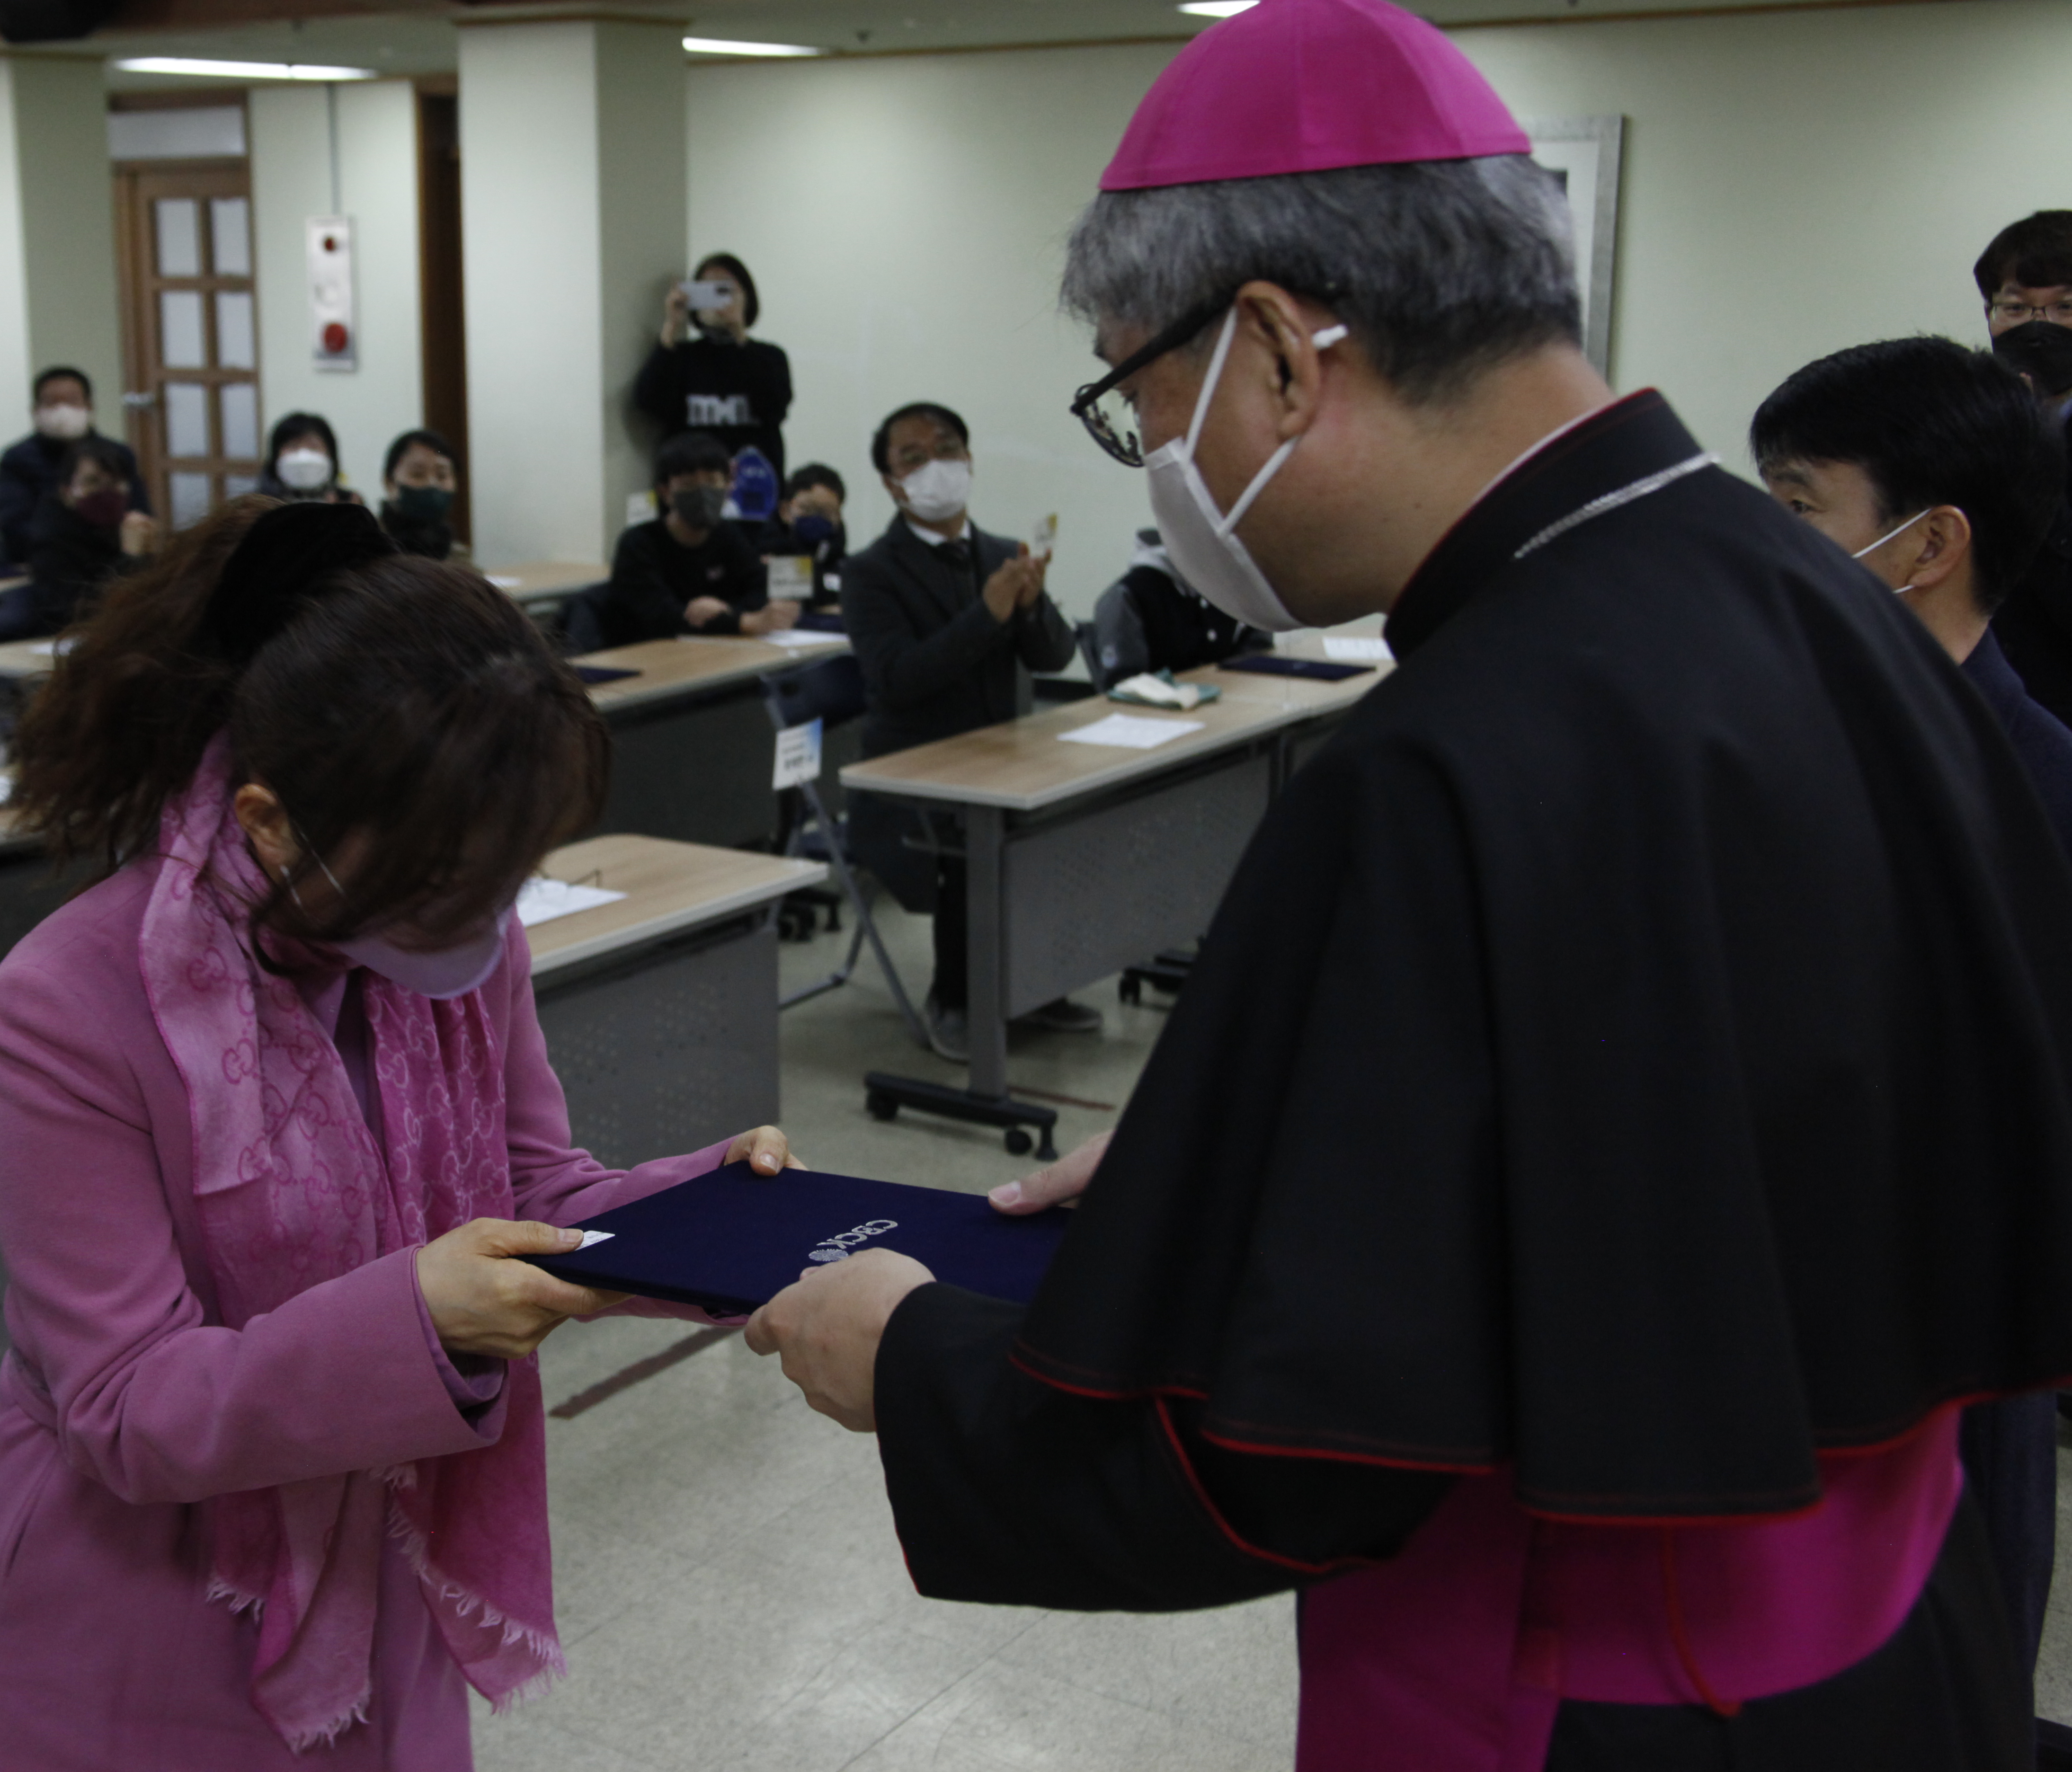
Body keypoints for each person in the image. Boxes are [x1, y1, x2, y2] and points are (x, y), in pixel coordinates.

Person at [746, 3, 2072, 1766]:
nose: (1162, 465)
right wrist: (1264, 1153)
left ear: (1281, 357)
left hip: (1589, 1683)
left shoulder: (1449, 746)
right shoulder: (1810, 592)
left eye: (1141, 398)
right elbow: (1705, 1115)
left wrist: (911, 1366)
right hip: (1902, 1636)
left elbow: (1287, 1454)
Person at [0, 496, 798, 1770]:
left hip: (378, 1548)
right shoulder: (64, 1011)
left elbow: (540, 1186)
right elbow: (125, 1406)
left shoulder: (445, 927)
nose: (489, 924)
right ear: (273, 821)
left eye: (508, 881)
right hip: (138, 1614)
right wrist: (420, 1319)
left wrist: (719, 1217)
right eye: (451, 889)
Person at [1750, 335, 2071, 1720]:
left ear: (1929, 543)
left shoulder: (2044, 793)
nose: (1762, 544)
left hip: (1941, 1367)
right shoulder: (1768, 734)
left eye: (1798, 507)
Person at [840, 400, 1089, 1061]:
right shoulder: (869, 572)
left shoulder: (1006, 553)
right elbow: (897, 677)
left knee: (1067, 821)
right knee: (969, 837)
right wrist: (987, 614)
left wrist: (1030, 609)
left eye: (946, 448)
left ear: (971, 461)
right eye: (913, 457)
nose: (935, 466)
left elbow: (1055, 657)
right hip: (910, 771)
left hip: (1003, 754)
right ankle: (955, 998)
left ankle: (1038, 984)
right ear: (893, 483)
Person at [1983, 218, 2072, 729]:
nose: (2039, 328)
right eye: (2015, 308)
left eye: (2067, 306)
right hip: (2001, 716)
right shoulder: (1972, 427)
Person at [590, 431, 799, 645]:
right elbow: (661, 619)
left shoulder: (728, 535)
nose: (703, 494)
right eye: (689, 485)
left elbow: (759, 590)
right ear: (666, 492)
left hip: (718, 651)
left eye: (712, 482)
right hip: (650, 656)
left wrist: (726, 611)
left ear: (729, 485)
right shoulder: (638, 544)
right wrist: (742, 622)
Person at [632, 252, 792, 482]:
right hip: (692, 485)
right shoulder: (682, 356)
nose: (719, 302)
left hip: (753, 487)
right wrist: (672, 325)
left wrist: (739, 331)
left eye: (726, 291)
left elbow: (774, 408)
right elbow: (648, 403)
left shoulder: (770, 357)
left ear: (747, 298)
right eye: (707, 292)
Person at [0, 366, 148, 563]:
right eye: (51, 403)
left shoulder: (118, 453)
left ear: (89, 406)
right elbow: (14, 526)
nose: (62, 410)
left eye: (72, 401)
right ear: (35, 410)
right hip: (45, 558)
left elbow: (139, 512)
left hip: (116, 557)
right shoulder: (17, 458)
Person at [22, 436, 160, 633]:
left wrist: (152, 556)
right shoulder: (52, 538)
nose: (106, 493)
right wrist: (131, 559)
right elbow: (72, 613)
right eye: (93, 482)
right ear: (67, 493)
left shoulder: (125, 528)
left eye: (115, 484)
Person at [1092, 524, 1265, 681]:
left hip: (1219, 696)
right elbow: (1124, 682)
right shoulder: (1128, 595)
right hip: (1157, 708)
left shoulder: (1210, 585)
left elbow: (1255, 644)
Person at [760, 462, 849, 611]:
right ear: (785, 511)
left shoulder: (847, 567)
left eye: (826, 513)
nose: (816, 518)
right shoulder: (766, 556)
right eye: (807, 509)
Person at [377, 427, 462, 560]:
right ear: (390, 483)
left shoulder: (458, 557)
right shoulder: (367, 547)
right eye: (418, 475)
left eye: (442, 476)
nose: (432, 484)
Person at [256, 411, 364, 505]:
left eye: (313, 447)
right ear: (276, 455)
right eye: (293, 447)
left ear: (331, 456)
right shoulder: (259, 504)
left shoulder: (349, 502)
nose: (303, 456)